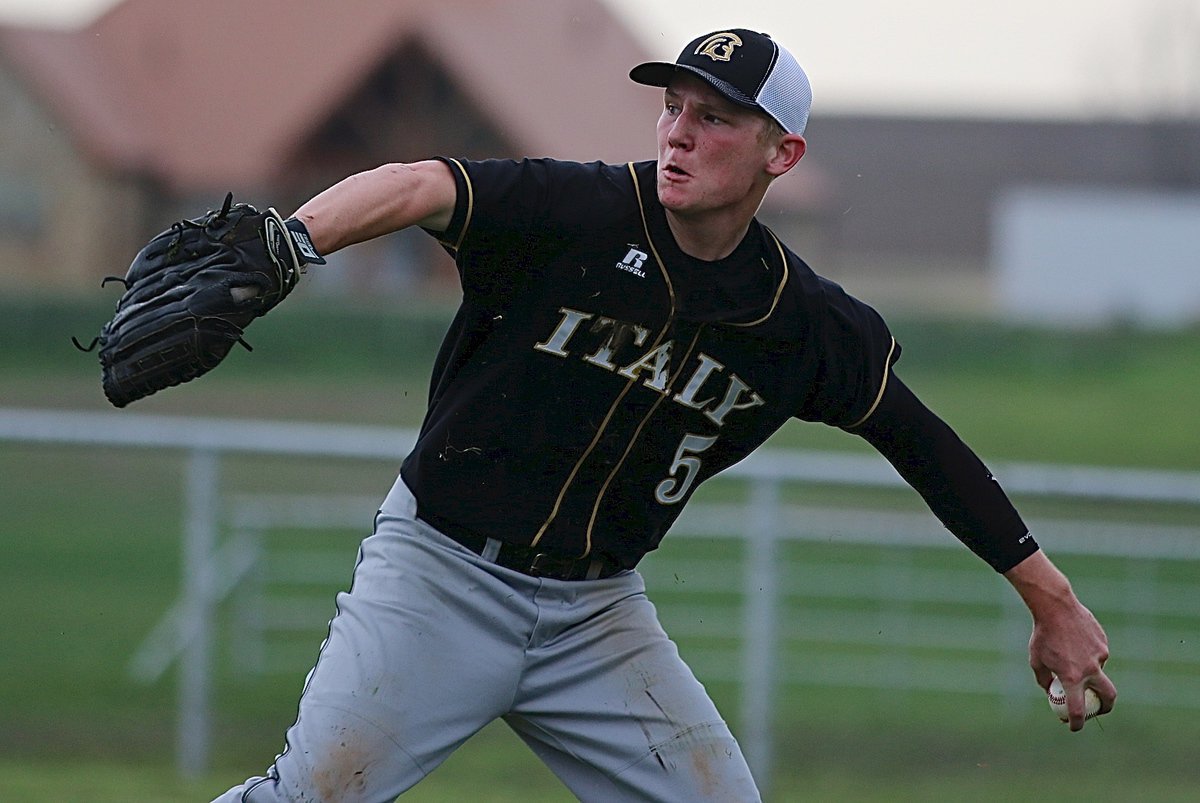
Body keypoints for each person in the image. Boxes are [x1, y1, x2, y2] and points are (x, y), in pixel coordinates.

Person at [214, 28, 1116, 802]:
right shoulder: (579, 212)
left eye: (715, 117)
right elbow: (420, 185)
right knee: (314, 793)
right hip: (440, 577)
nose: (679, 134)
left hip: (593, 614)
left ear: (782, 154)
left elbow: (925, 445)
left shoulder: (800, 322)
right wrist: (292, 243)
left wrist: (1054, 600)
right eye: (673, 108)